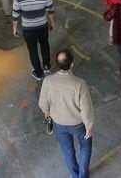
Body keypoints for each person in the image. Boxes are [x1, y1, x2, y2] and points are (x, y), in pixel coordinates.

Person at [38, 49, 94, 178]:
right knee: (85, 147)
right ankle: (83, 176)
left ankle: (75, 175)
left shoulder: (48, 81)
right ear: (72, 64)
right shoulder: (79, 84)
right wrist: (89, 126)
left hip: (59, 124)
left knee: (67, 150)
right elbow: (86, 109)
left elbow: (43, 104)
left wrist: (47, 113)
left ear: (56, 64)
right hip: (78, 125)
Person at [12, 0, 55, 80]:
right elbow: (51, 10)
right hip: (42, 26)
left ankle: (38, 72)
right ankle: (46, 66)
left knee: (33, 50)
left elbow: (15, 15)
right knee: (45, 45)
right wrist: (51, 23)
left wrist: (15, 28)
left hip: (28, 29)